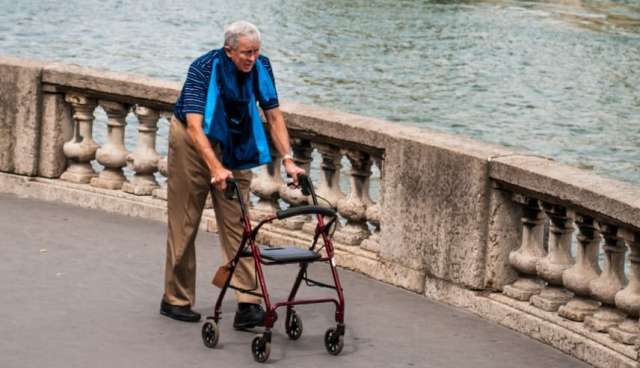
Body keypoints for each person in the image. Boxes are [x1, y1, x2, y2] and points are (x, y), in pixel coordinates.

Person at [160, 20, 304, 326]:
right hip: (192, 141)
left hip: (236, 141)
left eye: (255, 51)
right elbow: (196, 127)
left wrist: (289, 159)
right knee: (185, 220)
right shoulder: (203, 68)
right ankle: (176, 298)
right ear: (229, 50)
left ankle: (247, 303)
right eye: (245, 53)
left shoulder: (261, 67)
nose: (251, 58)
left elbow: (274, 115)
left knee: (239, 222)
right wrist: (215, 168)